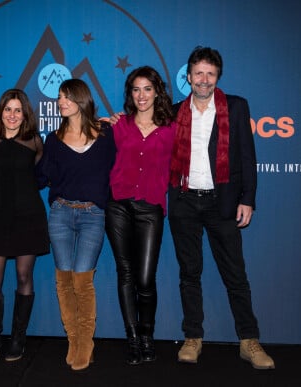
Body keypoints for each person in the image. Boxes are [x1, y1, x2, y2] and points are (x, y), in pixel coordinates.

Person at [168, 46, 275, 369]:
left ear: (218, 77)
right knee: (190, 274)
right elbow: (140, 127)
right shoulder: (173, 112)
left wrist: (248, 199)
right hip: (185, 200)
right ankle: (193, 337)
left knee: (235, 275)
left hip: (223, 202)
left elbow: (247, 156)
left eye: (210, 74)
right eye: (198, 73)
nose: (203, 80)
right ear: (188, 77)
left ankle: (249, 340)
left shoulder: (237, 108)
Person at [37, 79, 116, 371]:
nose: (61, 102)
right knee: (64, 280)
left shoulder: (107, 134)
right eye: (59, 97)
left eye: (66, 96)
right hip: (60, 214)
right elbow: (40, 177)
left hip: (93, 215)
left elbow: (127, 160)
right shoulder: (53, 139)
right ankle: (74, 340)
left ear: (81, 99)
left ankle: (86, 342)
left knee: (83, 280)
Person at [104, 66, 177, 365]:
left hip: (151, 208)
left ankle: (148, 334)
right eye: (136, 89)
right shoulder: (118, 125)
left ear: (157, 91)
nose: (142, 95)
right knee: (126, 273)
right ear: (130, 94)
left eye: (147, 89)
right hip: (118, 205)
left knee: (145, 278)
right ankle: (132, 337)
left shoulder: (172, 128)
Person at [0, 89, 49, 366]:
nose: (13, 115)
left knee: (23, 278)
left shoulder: (34, 142)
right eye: (8, 109)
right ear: (0, 113)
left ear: (25, 114)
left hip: (29, 217)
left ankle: (18, 338)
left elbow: (44, 175)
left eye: (18, 110)